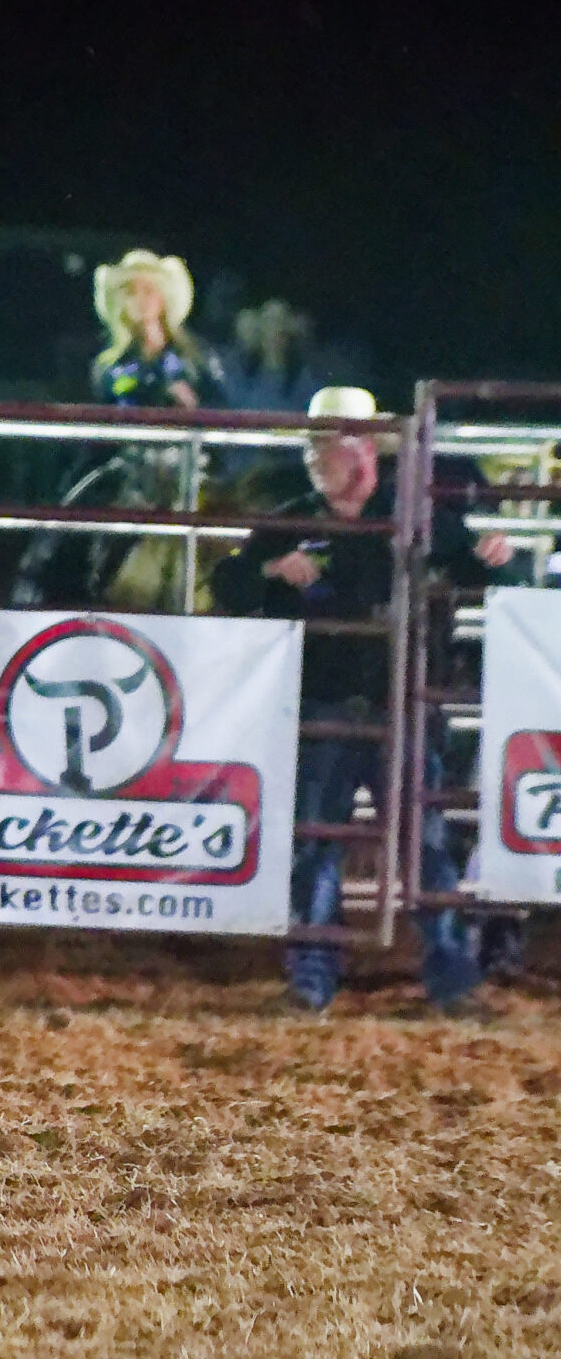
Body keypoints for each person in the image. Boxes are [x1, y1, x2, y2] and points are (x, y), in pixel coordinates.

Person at [209, 385, 513, 1013]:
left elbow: (478, 573)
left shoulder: (420, 516)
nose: (317, 457)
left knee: (421, 841)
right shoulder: (296, 520)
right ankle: (316, 976)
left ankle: (447, 978)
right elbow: (228, 582)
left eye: (330, 442)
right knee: (322, 840)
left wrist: (491, 562)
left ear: (365, 447)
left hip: (400, 702)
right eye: (313, 444)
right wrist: (268, 573)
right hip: (331, 703)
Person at [91, 249, 222, 409]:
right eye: (131, 292)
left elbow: (221, 410)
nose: (140, 300)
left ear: (163, 297)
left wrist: (191, 405)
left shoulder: (196, 359)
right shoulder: (109, 367)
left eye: (148, 290)